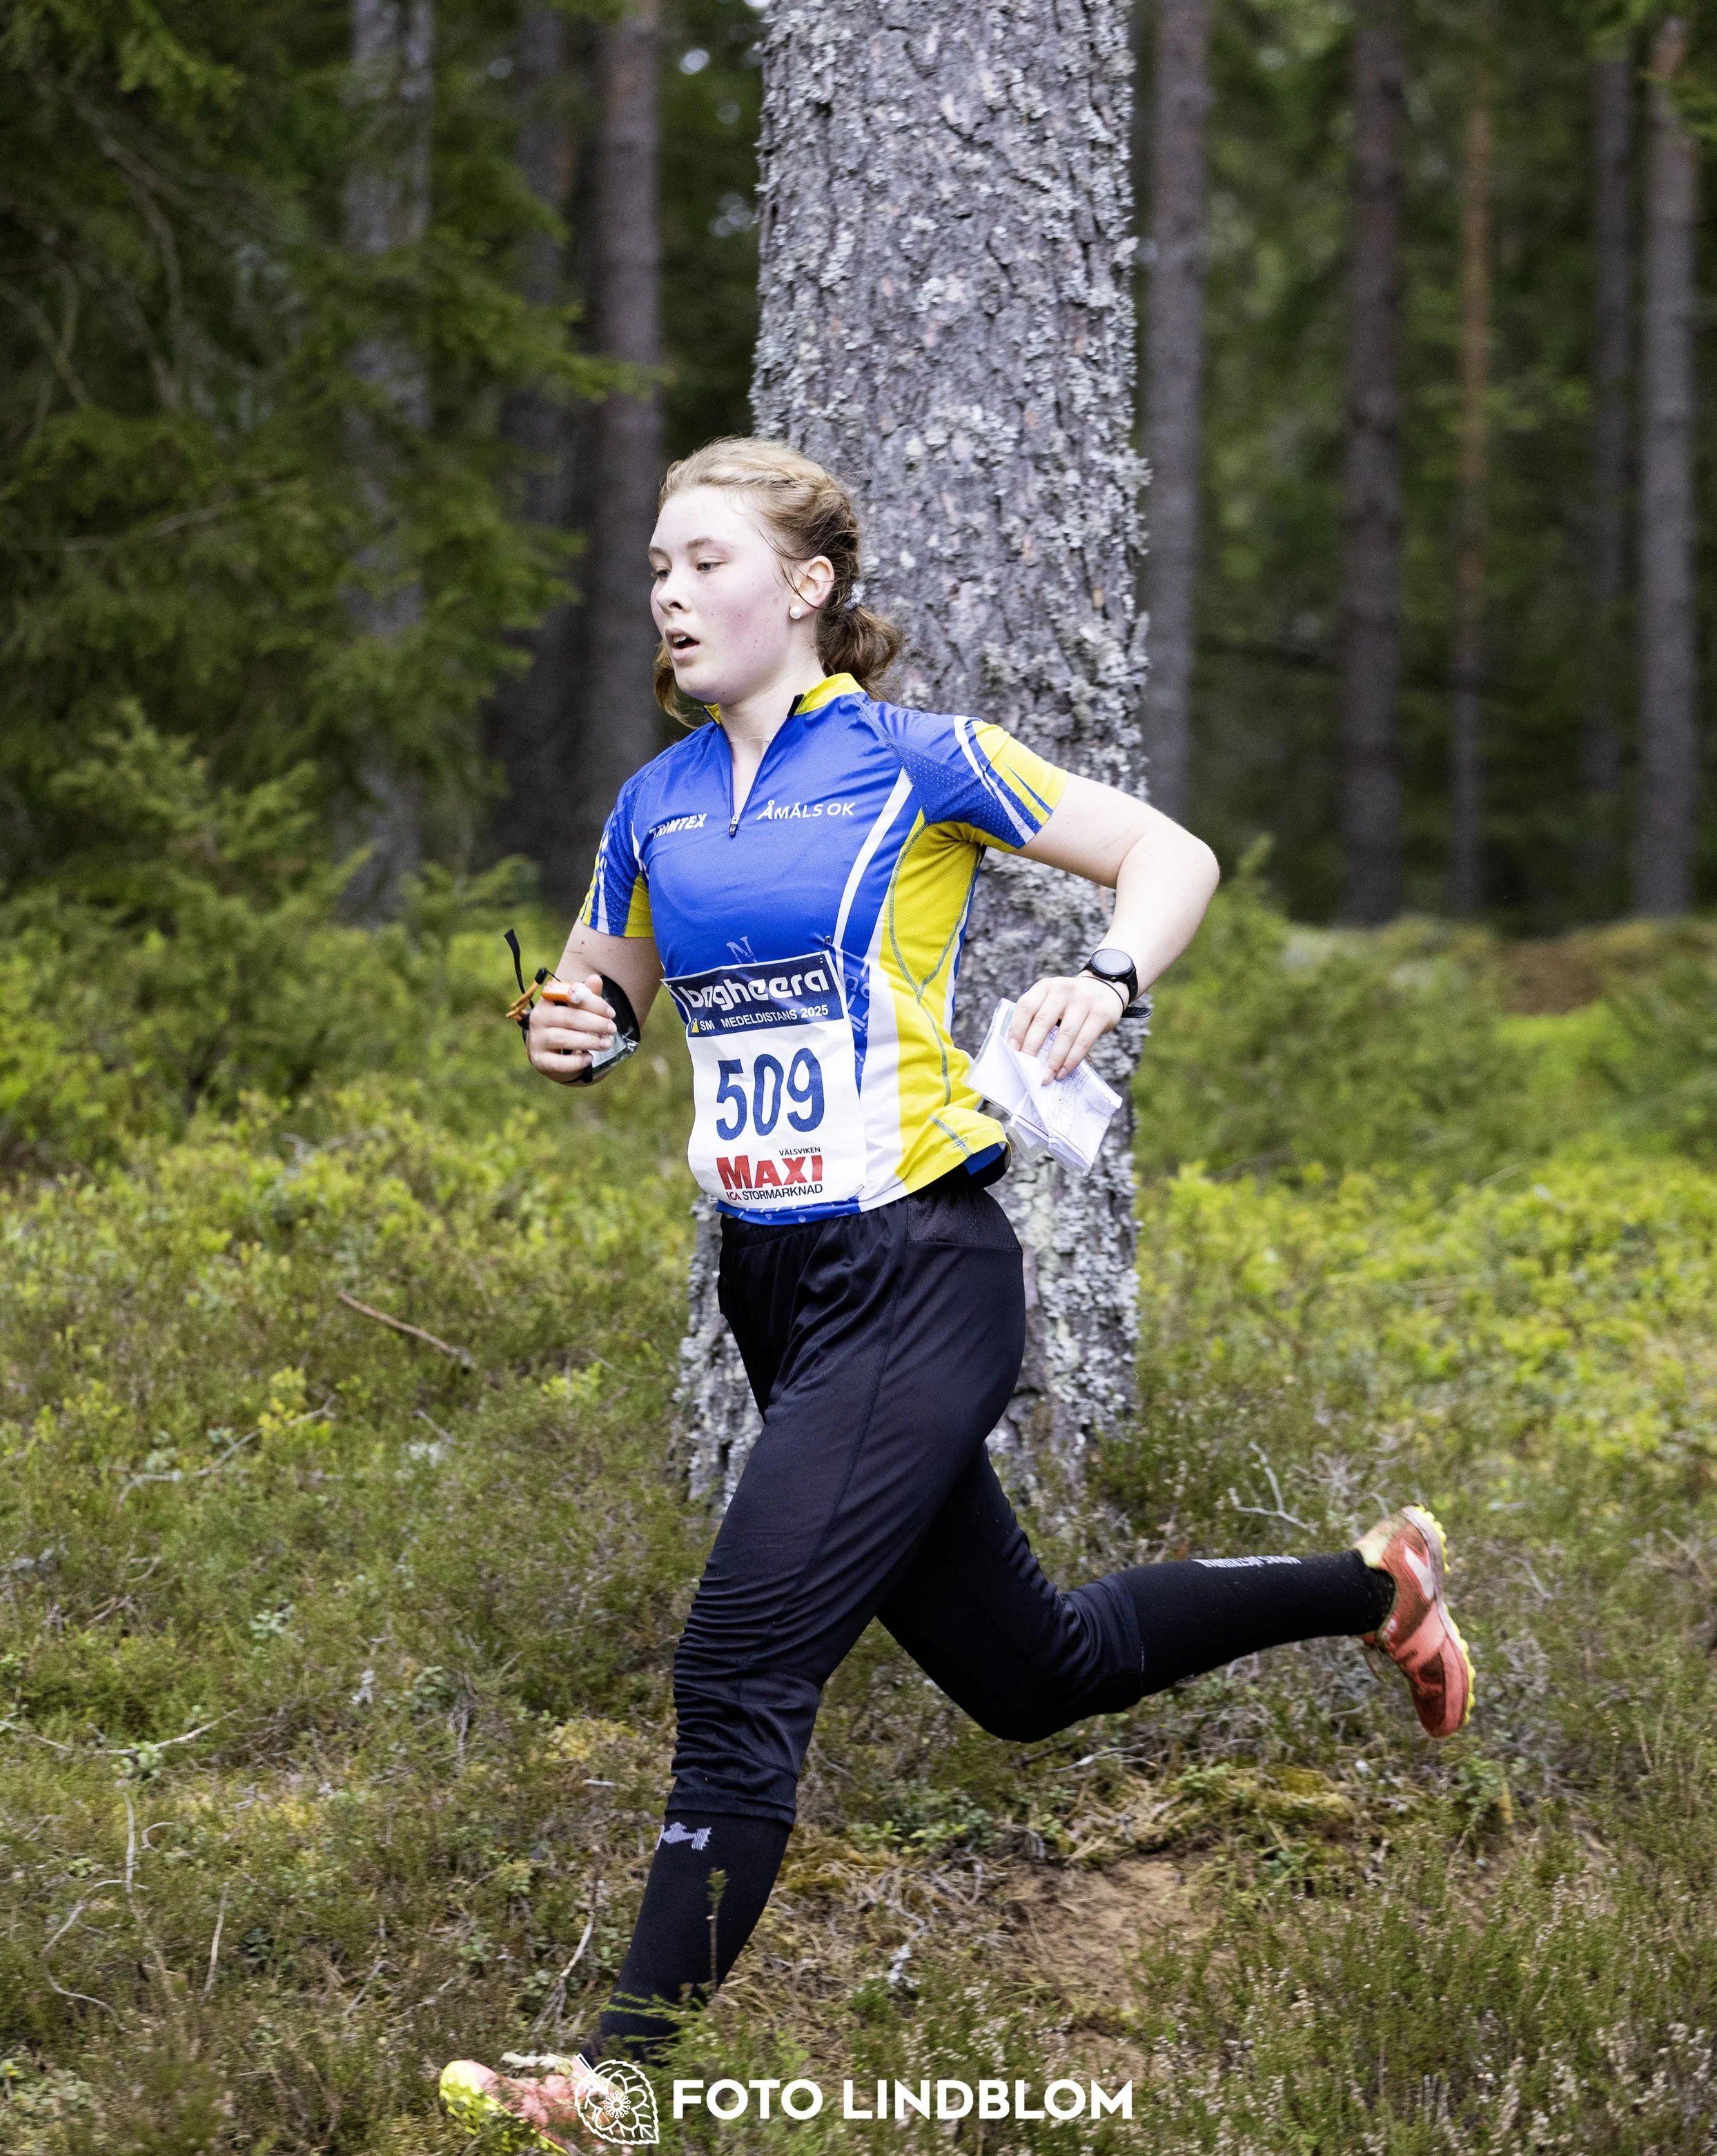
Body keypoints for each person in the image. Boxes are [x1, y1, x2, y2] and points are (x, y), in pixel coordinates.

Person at [441, 439, 1473, 2148]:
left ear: (807, 587)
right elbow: (600, 1001)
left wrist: (1103, 972)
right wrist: (575, 1034)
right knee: (1031, 1667)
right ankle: (1370, 1584)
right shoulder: (654, 802)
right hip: (772, 1284)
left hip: (920, 1265)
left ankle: (615, 2086)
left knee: (738, 1662)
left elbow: (1170, 855)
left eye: (703, 562)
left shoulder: (918, 763)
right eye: (652, 569)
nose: (669, 596)